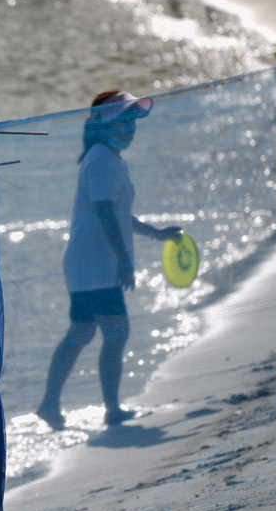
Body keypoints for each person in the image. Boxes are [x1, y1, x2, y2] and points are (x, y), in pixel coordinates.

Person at [35, 90, 180, 431]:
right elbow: (103, 213)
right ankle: (111, 408)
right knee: (116, 331)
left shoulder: (111, 157)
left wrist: (157, 233)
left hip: (91, 264)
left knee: (83, 331)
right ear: (106, 125)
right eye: (122, 120)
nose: (130, 127)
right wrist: (123, 261)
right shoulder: (100, 159)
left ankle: (49, 403)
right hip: (94, 264)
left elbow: (120, 214)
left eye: (132, 121)